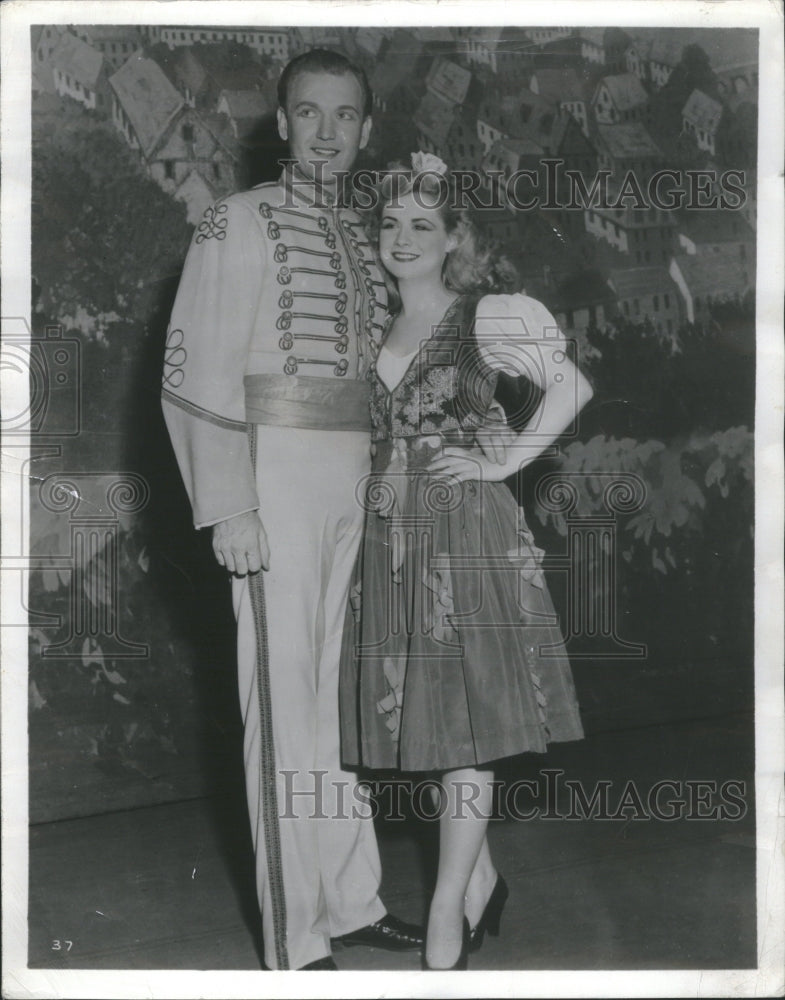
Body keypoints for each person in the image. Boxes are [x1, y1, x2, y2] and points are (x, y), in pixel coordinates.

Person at [161, 50, 426, 971]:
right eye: (308, 113)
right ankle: (294, 935)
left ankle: (350, 901)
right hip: (271, 479)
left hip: (354, 483)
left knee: (340, 709)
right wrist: (226, 502)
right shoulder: (232, 223)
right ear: (281, 123)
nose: (326, 132)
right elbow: (195, 372)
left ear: (365, 128)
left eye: (344, 116)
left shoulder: (368, 236)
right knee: (279, 708)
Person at [339, 155, 593, 970]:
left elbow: (571, 389)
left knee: (463, 731)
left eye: (422, 224)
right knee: (427, 718)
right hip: (390, 539)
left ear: (453, 238)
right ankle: (480, 877)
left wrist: (499, 462)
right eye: (389, 225)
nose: (401, 238)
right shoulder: (374, 324)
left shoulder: (486, 316)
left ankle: (447, 905)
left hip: (464, 535)